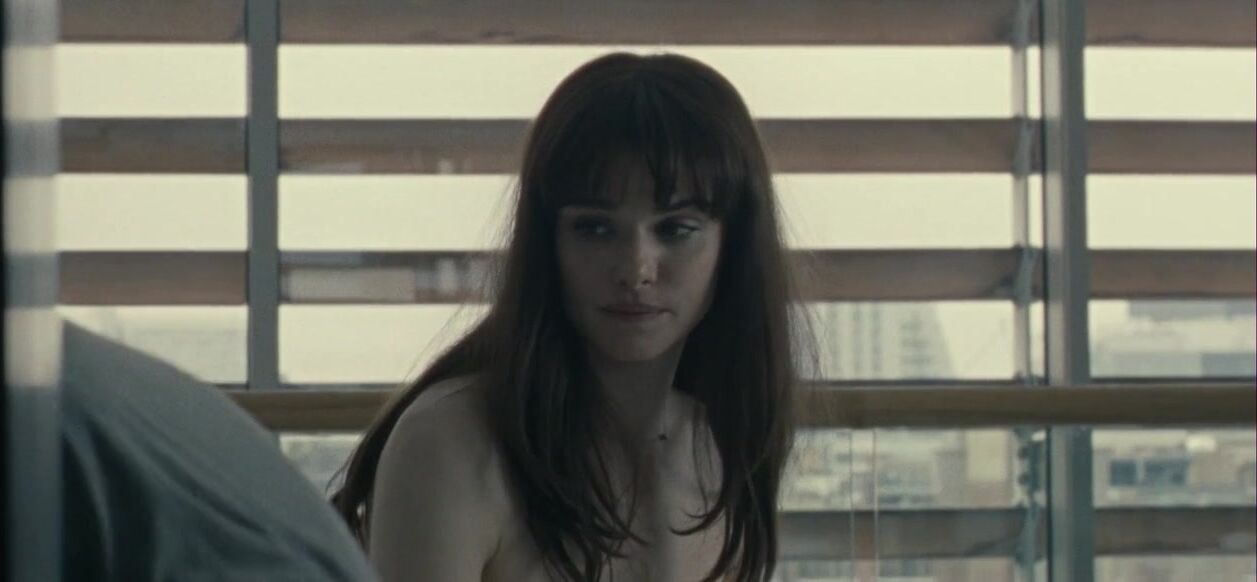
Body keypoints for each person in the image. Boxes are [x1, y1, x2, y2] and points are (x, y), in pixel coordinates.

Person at [331, 52, 814, 582]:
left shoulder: (715, 450)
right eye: (595, 229)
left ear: (734, 246)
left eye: (676, 229)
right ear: (548, 243)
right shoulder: (453, 443)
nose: (636, 269)